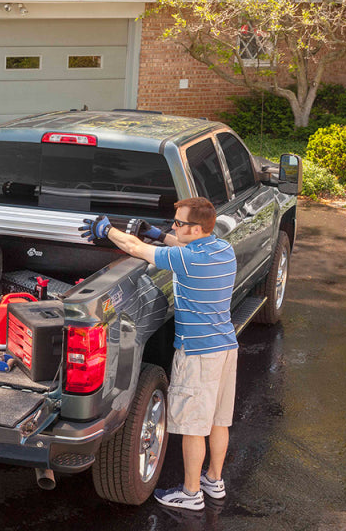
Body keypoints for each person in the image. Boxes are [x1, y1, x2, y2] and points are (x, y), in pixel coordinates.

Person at [79, 197, 237, 511]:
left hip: (198, 355)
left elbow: (134, 249)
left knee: (194, 427)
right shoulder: (222, 249)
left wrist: (106, 228)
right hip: (225, 348)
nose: (173, 226)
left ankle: (192, 494)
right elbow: (180, 244)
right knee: (219, 422)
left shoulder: (188, 259)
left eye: (178, 223)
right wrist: (157, 233)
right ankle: (213, 481)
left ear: (195, 228)